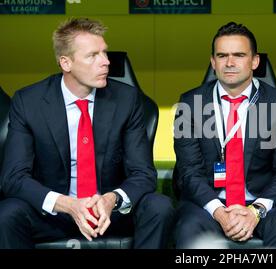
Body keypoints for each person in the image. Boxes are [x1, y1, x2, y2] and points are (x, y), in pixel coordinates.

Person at [0, 17, 174, 249]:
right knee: (7, 213)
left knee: (159, 206)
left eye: (104, 53)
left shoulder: (127, 100)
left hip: (110, 213)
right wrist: (68, 205)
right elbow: (13, 177)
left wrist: (111, 199)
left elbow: (143, 174)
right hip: (55, 213)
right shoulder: (28, 102)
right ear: (66, 63)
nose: (106, 62)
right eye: (93, 55)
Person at [173, 22, 276, 249]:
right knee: (187, 228)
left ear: (255, 61)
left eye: (239, 55)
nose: (230, 63)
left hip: (262, 200)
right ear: (213, 62)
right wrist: (220, 213)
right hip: (209, 201)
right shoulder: (190, 104)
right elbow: (188, 172)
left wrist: (255, 211)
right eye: (222, 56)